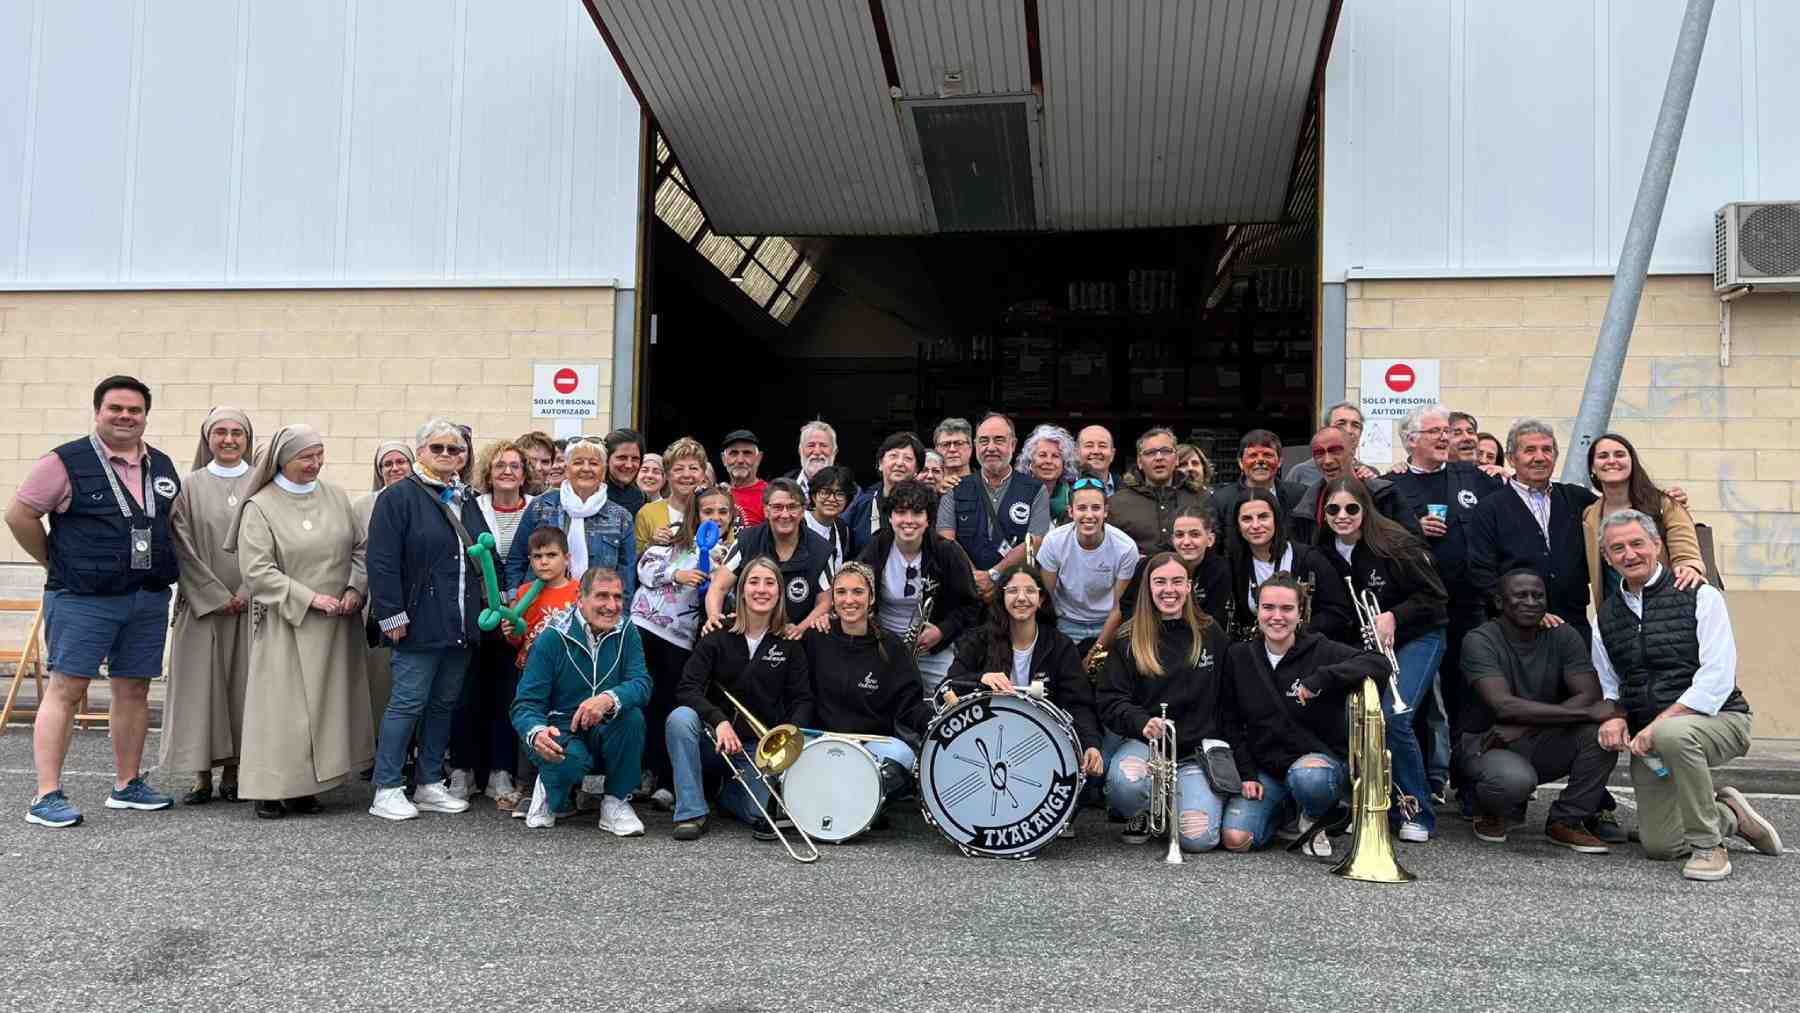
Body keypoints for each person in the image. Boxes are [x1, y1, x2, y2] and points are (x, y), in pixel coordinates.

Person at [12, 376, 180, 827]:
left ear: (146, 416)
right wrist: (54, 561)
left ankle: (127, 784)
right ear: (98, 412)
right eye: (115, 408)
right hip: (83, 597)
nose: (125, 416)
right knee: (67, 689)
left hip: (145, 596)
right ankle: (46, 795)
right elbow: (20, 514)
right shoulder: (63, 462)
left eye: (134, 410)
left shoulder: (161, 464)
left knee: (134, 689)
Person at [1591, 510, 1780, 881]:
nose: (1629, 554)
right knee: (1660, 846)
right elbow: (1608, 681)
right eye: (1617, 548)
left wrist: (1658, 724)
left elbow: (1717, 677)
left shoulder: (1700, 595)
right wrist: (1613, 715)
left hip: (1721, 719)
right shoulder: (1606, 616)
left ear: (1657, 545)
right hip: (1652, 740)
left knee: (1672, 734)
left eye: (1637, 543)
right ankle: (1729, 814)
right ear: (1607, 557)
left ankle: (1709, 847)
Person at [227, 425, 373, 820]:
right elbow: (257, 570)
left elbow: (360, 549)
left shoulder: (336, 496)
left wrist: (354, 587)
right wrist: (309, 598)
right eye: (305, 456)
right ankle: (271, 787)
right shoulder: (260, 506)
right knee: (282, 709)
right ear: (282, 459)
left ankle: (309, 785)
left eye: (319, 454)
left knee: (325, 709)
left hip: (337, 621)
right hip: (288, 621)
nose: (315, 463)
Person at [366, 417, 490, 821]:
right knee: (407, 703)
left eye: (455, 449)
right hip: (418, 619)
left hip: (461, 621)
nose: (447, 455)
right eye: (438, 448)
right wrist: (391, 614)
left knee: (443, 704)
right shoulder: (398, 497)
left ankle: (429, 782)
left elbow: (483, 555)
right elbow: (381, 561)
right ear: (420, 451)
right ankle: (387, 787)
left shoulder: (466, 498)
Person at [1314, 477, 1449, 841]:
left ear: (1366, 509)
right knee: (1357, 717)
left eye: (1351, 508)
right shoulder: (1323, 550)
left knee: (1394, 717)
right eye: (1333, 509)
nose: (1342, 516)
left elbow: (1435, 597)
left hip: (1418, 636)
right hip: (1365, 645)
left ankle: (1417, 812)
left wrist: (1395, 615)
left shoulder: (1394, 542)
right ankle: (1374, 806)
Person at [1219, 574, 1388, 858]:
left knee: (1309, 777)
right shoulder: (1238, 656)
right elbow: (1230, 721)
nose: (1276, 616)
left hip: (1315, 766)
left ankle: (1313, 816)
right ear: (1257, 611)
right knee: (1237, 839)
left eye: (1287, 608)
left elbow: (1379, 663)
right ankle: (1288, 812)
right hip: (1266, 772)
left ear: (1301, 613)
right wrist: (1247, 774)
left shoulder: (1322, 650)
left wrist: (1322, 678)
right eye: (1268, 607)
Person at [1389, 404, 1504, 813]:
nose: (1444, 437)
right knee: (1416, 703)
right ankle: (1419, 787)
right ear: (1411, 440)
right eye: (1435, 431)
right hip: (1418, 610)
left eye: (1447, 431)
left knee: (1468, 701)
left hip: (1470, 610)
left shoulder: (1474, 477)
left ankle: (1471, 787)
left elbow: (1509, 508)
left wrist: (1504, 472)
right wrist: (1413, 528)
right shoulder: (1392, 485)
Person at [1097, 552, 1247, 851]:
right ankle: (1143, 810)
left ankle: (1175, 801)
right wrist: (1142, 722)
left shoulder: (1211, 633)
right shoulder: (1128, 638)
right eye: (1160, 582)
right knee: (1126, 784)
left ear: (1189, 586)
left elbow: (1230, 700)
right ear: (1148, 587)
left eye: (1177, 581)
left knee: (1198, 839)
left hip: (1195, 753)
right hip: (1147, 746)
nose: (1169, 590)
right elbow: (1111, 700)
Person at [1459, 570, 1617, 853]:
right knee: (1513, 781)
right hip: (1488, 742)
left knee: (1602, 736)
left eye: (1538, 596)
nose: (1531, 602)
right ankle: (1491, 809)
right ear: (1500, 602)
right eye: (1521, 595)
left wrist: (1528, 726)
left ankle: (1566, 821)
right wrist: (1586, 714)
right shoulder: (1480, 640)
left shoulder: (1563, 635)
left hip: (1536, 737)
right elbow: (1504, 705)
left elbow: (1589, 694)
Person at [668, 556, 814, 840]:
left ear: (779, 593)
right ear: (742, 590)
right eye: (754, 582)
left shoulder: (789, 644)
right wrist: (719, 721)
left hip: (756, 748)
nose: (761, 590)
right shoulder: (716, 633)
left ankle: (727, 795)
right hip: (713, 740)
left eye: (769, 583)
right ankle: (692, 812)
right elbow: (687, 688)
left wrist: (787, 738)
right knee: (680, 718)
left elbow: (802, 699)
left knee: (761, 814)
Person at [940, 566, 1106, 812]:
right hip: (985, 743)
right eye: (1012, 591)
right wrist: (981, 678)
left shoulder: (1060, 646)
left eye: (1030, 591)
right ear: (1001, 597)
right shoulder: (979, 640)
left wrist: (1090, 744)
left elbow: (1078, 704)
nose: (1021, 598)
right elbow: (948, 685)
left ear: (1041, 600)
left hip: (1041, 744)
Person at [160, 407, 256, 807]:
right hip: (202, 607)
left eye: (237, 432)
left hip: (252, 607)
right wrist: (215, 595)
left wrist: (249, 589)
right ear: (207, 438)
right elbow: (179, 543)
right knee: (201, 690)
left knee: (243, 689)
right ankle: (201, 775)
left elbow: (274, 543)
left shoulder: (262, 484)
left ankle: (235, 773)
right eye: (220, 432)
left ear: (248, 438)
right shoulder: (188, 486)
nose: (229, 439)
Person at [512, 566, 651, 835]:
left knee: (632, 718)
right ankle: (550, 789)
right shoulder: (553, 635)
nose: (612, 605)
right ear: (580, 598)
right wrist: (537, 732)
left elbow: (642, 683)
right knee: (571, 762)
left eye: (618, 597)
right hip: (560, 729)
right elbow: (525, 703)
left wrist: (609, 698)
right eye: (602, 596)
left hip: (606, 725)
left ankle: (615, 802)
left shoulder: (627, 630)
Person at [630, 484, 737, 808]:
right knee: (639, 702)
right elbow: (644, 568)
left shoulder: (730, 554)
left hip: (682, 640)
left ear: (732, 516)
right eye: (708, 511)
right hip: (645, 627)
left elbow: (728, 594)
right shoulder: (673, 540)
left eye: (723, 511)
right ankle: (638, 773)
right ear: (695, 514)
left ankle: (667, 780)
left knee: (670, 706)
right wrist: (678, 573)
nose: (715, 517)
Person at [447, 439, 536, 803]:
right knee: (465, 692)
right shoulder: (472, 507)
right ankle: (462, 770)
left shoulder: (537, 509)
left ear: (525, 474)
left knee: (507, 693)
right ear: (488, 472)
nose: (507, 471)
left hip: (518, 614)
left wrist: (514, 604)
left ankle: (501, 771)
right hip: (475, 614)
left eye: (515, 466)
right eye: (500, 465)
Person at [801, 562, 935, 807]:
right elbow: (799, 693)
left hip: (870, 745)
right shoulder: (815, 637)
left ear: (871, 598)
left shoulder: (891, 646)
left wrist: (937, 725)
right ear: (833, 598)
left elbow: (909, 705)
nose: (849, 600)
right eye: (841, 592)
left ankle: (856, 800)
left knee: (903, 756)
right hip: (821, 740)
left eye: (858, 592)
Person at [1468, 419, 1598, 644]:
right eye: (1529, 450)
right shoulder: (1489, 508)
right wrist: (1525, 611)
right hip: (1514, 633)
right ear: (1511, 458)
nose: (1540, 457)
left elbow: (1620, 513)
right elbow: (1481, 572)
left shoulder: (1577, 499)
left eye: (1547, 450)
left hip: (1573, 627)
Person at [857, 479, 981, 694]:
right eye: (900, 512)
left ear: (928, 519)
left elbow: (971, 606)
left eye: (917, 513)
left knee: (947, 697)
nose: (908, 520)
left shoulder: (947, 552)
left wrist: (942, 631)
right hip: (882, 645)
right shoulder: (877, 545)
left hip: (931, 649)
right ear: (890, 517)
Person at [498, 526, 584, 814]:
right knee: (530, 726)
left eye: (551, 555)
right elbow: (517, 639)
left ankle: (566, 789)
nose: (544, 562)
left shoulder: (579, 593)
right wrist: (510, 632)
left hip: (568, 676)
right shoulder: (525, 593)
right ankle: (527, 786)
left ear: (567, 558)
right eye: (537, 556)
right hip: (530, 673)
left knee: (564, 729)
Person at [1583, 432, 1705, 607]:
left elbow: (1686, 553)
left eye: (1619, 455)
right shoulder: (1589, 516)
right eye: (1603, 456)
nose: (1611, 461)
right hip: (1615, 612)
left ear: (1632, 462)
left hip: (1666, 607)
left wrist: (1689, 568)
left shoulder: (1665, 505)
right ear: (1593, 468)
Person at [506, 438, 636, 598]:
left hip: (597, 607)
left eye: (594, 463)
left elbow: (626, 578)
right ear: (567, 469)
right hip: (539, 605)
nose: (586, 468)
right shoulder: (540, 506)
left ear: (603, 472)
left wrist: (620, 612)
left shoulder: (621, 518)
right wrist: (515, 600)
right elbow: (517, 559)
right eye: (578, 462)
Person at [1223, 490, 1354, 645]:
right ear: (1237, 526)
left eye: (1263, 517)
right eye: (1247, 519)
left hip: (1307, 648)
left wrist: (1298, 632)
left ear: (1276, 520)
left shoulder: (1310, 559)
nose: (1255, 525)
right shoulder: (1233, 565)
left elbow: (1338, 612)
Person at [938, 413, 1050, 592]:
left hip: (1014, 593)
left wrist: (994, 575)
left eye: (999, 440)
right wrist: (973, 578)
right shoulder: (954, 489)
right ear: (975, 445)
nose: (990, 448)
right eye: (984, 441)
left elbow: (1035, 542)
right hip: (964, 591)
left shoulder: (1035, 490)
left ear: (1013, 444)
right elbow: (946, 540)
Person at [708, 478, 834, 634]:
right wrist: (714, 616)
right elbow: (718, 587)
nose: (785, 514)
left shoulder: (821, 549)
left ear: (803, 511)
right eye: (777, 507)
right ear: (766, 511)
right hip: (747, 632)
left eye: (792, 507)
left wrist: (800, 629)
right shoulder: (747, 540)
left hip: (795, 637)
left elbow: (825, 602)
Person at [1035, 479, 1137, 668]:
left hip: (1108, 624)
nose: (1089, 515)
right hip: (1065, 622)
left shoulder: (1126, 547)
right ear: (1070, 511)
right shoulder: (1054, 542)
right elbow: (1046, 598)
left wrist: (1093, 655)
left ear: (1105, 511)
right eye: (1082, 508)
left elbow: (1118, 609)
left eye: (1096, 508)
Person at [354, 440, 413, 725]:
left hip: (415, 598)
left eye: (401, 462)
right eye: (387, 464)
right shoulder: (363, 506)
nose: (394, 468)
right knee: (379, 676)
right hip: (376, 603)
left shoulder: (424, 500)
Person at [1289, 425, 1421, 544]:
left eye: (1335, 450)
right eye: (1319, 454)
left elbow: (1414, 544)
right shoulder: (1307, 505)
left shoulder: (1384, 494)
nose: (1327, 461)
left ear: (1352, 451)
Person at [1117, 505, 1231, 631]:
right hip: (1150, 633)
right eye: (1179, 535)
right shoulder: (1150, 566)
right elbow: (1128, 607)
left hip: (1198, 635)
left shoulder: (1220, 571)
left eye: (1195, 534)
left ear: (1210, 539)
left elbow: (1214, 619)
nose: (1186, 542)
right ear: (1172, 540)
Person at [1108, 427, 1213, 556]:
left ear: (1177, 459)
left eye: (1165, 451)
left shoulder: (1201, 498)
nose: (1159, 457)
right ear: (1139, 462)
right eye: (1150, 453)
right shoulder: (1117, 503)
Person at [1211, 430, 1307, 536]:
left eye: (1267, 455)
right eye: (1253, 455)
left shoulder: (1299, 495)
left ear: (1279, 461)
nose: (1260, 461)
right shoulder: (1221, 501)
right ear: (1240, 462)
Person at [848, 431, 927, 558]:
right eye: (893, 456)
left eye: (908, 458)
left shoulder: (926, 504)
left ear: (917, 469)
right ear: (880, 463)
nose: (899, 463)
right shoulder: (863, 504)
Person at [634, 437, 709, 559]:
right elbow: (633, 561)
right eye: (679, 469)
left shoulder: (714, 511)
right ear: (667, 475)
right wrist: (652, 545)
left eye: (693, 468)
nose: (686, 475)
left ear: (703, 474)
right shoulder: (647, 513)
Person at [1286, 402, 1380, 486]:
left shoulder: (1369, 473)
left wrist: (1371, 485)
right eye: (1341, 424)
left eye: (1355, 425)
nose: (1348, 430)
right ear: (1326, 429)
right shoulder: (1300, 473)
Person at [1018, 423, 1078, 525]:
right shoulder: (1015, 493)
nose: (1049, 461)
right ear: (1030, 462)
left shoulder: (1074, 496)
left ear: (1064, 464)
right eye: (1042, 455)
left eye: (1055, 456)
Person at [803, 464, 854, 573]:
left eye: (839, 494)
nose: (831, 499)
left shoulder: (842, 528)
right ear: (814, 496)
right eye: (825, 492)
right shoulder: (799, 523)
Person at [788, 420, 846, 502]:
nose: (817, 452)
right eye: (811, 445)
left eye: (824, 445)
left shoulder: (850, 491)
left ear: (834, 452)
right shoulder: (781, 486)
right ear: (800, 451)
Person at [720, 429, 768, 527]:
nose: (740, 460)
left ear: (759, 458)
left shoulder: (770, 495)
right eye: (734, 453)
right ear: (724, 459)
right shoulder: (716, 493)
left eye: (747, 453)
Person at [603, 428, 648, 517]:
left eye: (635, 459)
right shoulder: (593, 497)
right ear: (606, 459)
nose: (629, 465)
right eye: (622, 458)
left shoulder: (641, 497)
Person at [933, 417, 974, 493]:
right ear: (936, 451)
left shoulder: (986, 482)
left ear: (970, 447)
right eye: (945, 444)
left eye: (959, 443)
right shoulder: (928, 488)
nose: (952, 449)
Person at [1076, 425, 1117, 495]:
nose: (1096, 451)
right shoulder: (1064, 493)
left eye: (1102, 446)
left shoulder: (1129, 492)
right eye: (1089, 445)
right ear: (1077, 453)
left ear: (1112, 454)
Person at [516, 431, 558, 495]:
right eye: (531, 461)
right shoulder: (502, 496)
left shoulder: (557, 499)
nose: (538, 468)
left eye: (545, 461)